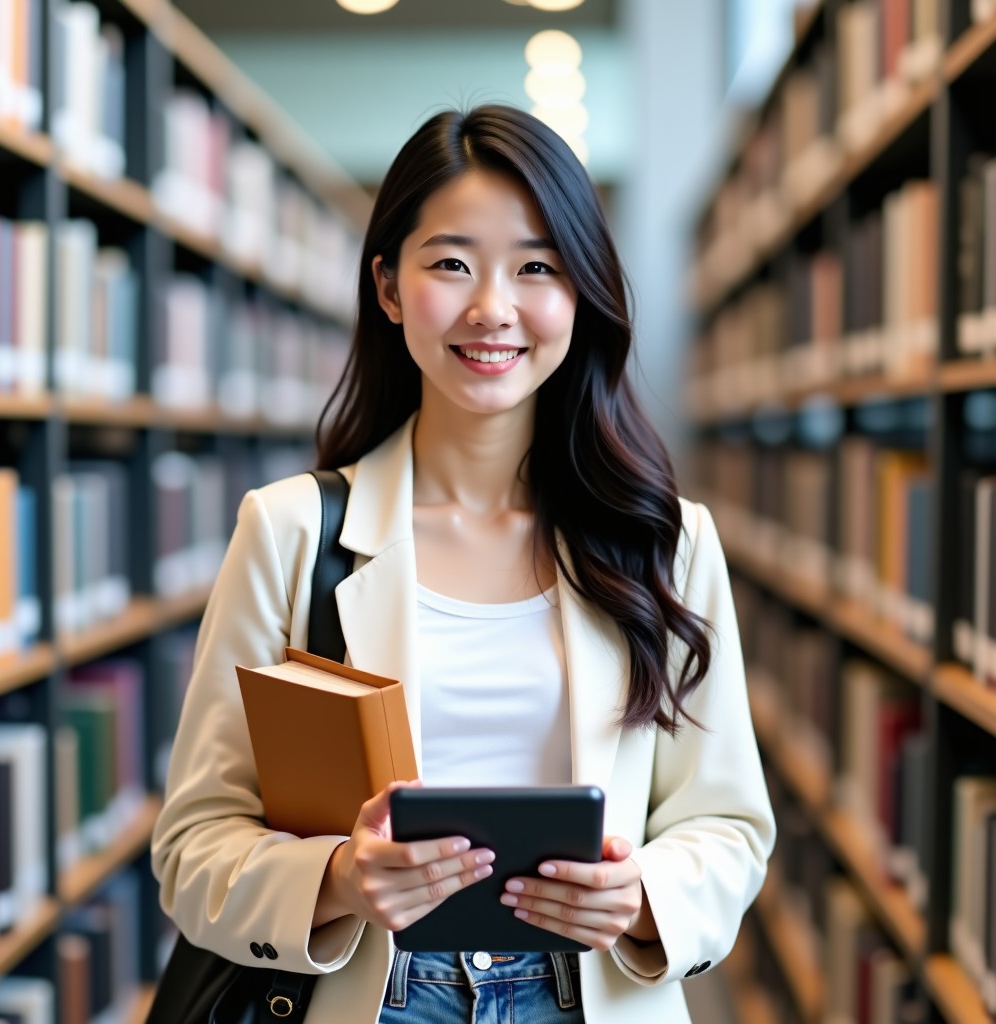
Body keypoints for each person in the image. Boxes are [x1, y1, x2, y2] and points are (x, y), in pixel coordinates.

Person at [151, 103, 775, 1024]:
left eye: (537, 267)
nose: (493, 307)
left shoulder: (667, 541)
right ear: (390, 288)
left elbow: (727, 825)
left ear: (581, 295)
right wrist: (335, 877)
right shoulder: (289, 532)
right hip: (374, 997)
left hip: (584, 996)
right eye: (451, 263)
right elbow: (194, 843)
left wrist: (644, 894)